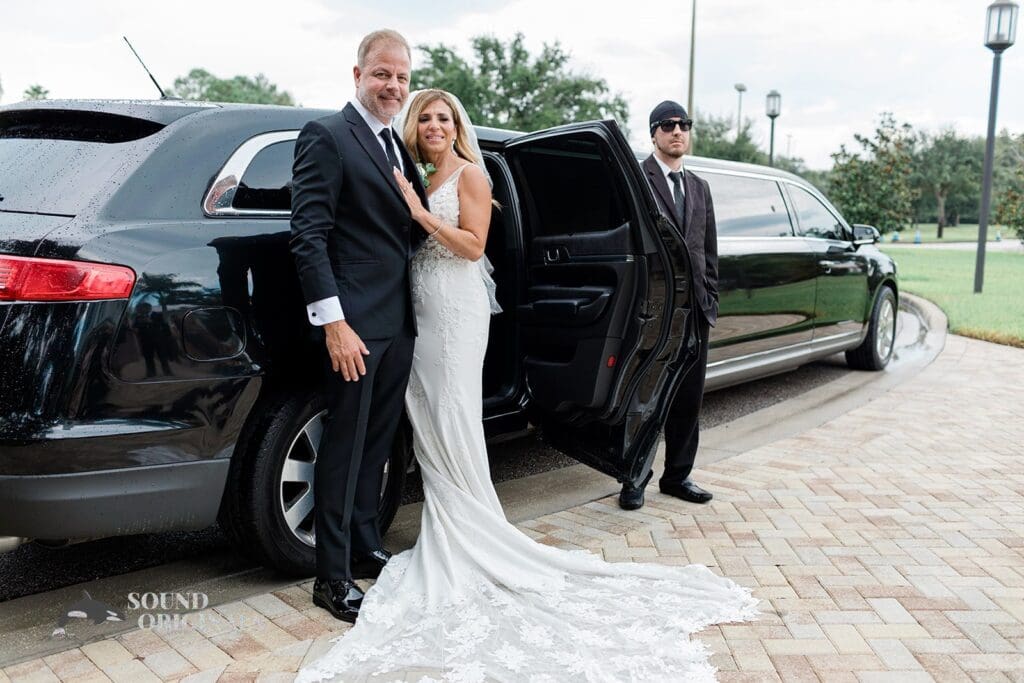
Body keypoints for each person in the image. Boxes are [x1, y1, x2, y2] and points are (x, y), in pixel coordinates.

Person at [296, 89, 756, 683]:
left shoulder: (465, 172)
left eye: (444, 117)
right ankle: (376, 541)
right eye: (425, 116)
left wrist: (418, 213)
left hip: (452, 313)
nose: (434, 124)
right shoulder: (406, 165)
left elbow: (475, 245)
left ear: (457, 125)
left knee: (452, 416)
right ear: (412, 124)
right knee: (422, 422)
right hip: (407, 315)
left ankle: (461, 529)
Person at [289, 29, 428, 623]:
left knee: (379, 440)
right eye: (382, 74)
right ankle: (332, 577)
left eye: (401, 77)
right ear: (357, 75)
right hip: (354, 326)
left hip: (397, 322)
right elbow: (308, 236)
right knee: (343, 448)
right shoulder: (328, 135)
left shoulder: (394, 145)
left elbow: (401, 232)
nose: (393, 86)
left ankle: (367, 543)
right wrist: (334, 324)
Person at [620, 100, 720, 512]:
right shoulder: (637, 180)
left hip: (694, 312)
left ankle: (677, 476)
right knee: (644, 400)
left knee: (688, 400)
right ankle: (633, 480)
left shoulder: (699, 187)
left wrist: (709, 297)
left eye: (684, 124)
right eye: (668, 125)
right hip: (654, 313)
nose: (677, 131)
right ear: (654, 133)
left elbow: (708, 249)